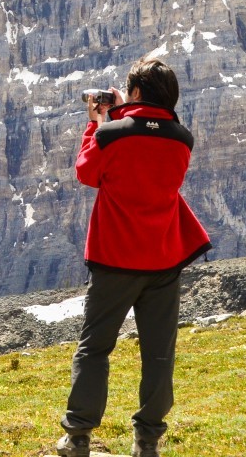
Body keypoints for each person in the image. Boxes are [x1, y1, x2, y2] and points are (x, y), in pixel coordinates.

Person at [56, 57, 212, 457]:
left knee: (95, 348)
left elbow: (87, 174)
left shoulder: (111, 133)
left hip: (114, 259)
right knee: (158, 351)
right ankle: (147, 441)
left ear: (136, 92)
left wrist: (97, 121)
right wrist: (124, 110)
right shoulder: (183, 138)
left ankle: (78, 437)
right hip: (163, 258)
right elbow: (153, 141)